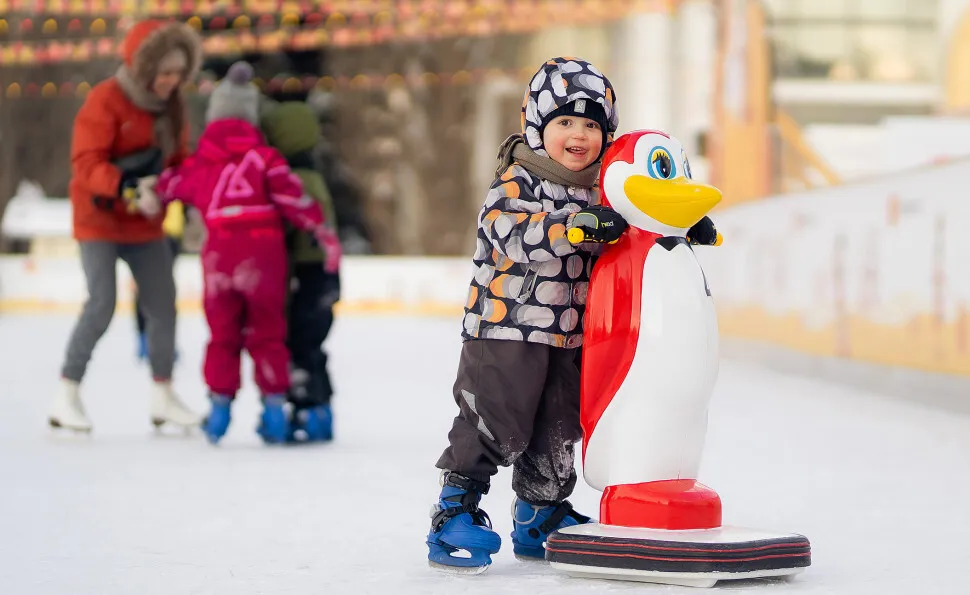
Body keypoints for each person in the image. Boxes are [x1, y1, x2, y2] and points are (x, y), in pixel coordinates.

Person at [426, 57, 627, 571]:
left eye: (591, 124)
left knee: (559, 428)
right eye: (564, 122)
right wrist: (573, 228)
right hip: (506, 329)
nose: (578, 135)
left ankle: (540, 513)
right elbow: (509, 231)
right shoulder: (519, 179)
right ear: (536, 127)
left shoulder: (605, 190)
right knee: (495, 419)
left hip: (570, 336)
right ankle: (454, 512)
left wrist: (681, 231)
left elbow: (639, 231)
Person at [139, 62, 337, 445]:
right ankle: (274, 411)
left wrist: (147, 190)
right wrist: (319, 228)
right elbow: (294, 197)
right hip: (264, 257)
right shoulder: (264, 159)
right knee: (268, 334)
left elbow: (168, 185)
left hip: (219, 257)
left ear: (213, 116)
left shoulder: (201, 162)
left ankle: (219, 410)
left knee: (222, 336)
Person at [49, 19, 204, 433]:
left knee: (162, 303)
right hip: (98, 218)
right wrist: (128, 188)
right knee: (101, 303)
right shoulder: (105, 100)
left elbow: (179, 160)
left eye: (178, 72)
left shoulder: (172, 107)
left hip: (145, 222)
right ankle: (67, 392)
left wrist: (187, 201)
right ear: (144, 67)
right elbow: (85, 164)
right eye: (165, 72)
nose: (172, 81)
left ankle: (163, 394)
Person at [261, 100, 342, 443]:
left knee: (298, 341)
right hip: (326, 273)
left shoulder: (292, 179)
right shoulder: (315, 173)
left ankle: (309, 408)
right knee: (313, 343)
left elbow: (296, 227)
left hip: (304, 272)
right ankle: (321, 408)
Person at [134, 201, 185, 361]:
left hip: (172, 232)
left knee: (164, 291)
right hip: (150, 231)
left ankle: (161, 342)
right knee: (148, 288)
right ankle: (146, 340)